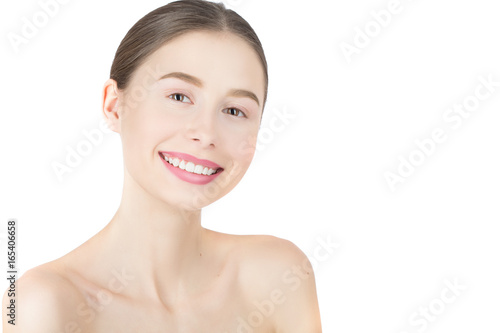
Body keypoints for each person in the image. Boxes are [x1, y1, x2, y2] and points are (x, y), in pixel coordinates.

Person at [2, 0, 322, 331]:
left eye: (234, 111)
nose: (206, 133)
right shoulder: (42, 304)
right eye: (179, 97)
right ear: (114, 106)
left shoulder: (279, 277)